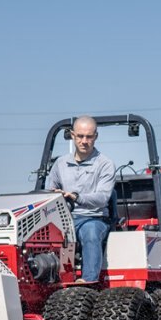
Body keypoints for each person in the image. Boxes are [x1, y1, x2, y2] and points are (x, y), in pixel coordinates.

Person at [46, 115, 117, 283]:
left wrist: (76, 197)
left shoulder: (105, 164)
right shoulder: (60, 164)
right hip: (65, 219)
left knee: (90, 232)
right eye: (80, 136)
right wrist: (54, 194)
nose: (84, 141)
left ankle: (88, 281)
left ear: (96, 137)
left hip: (94, 218)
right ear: (72, 135)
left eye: (89, 136)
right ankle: (53, 279)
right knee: (42, 236)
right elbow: (48, 192)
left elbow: (102, 197)